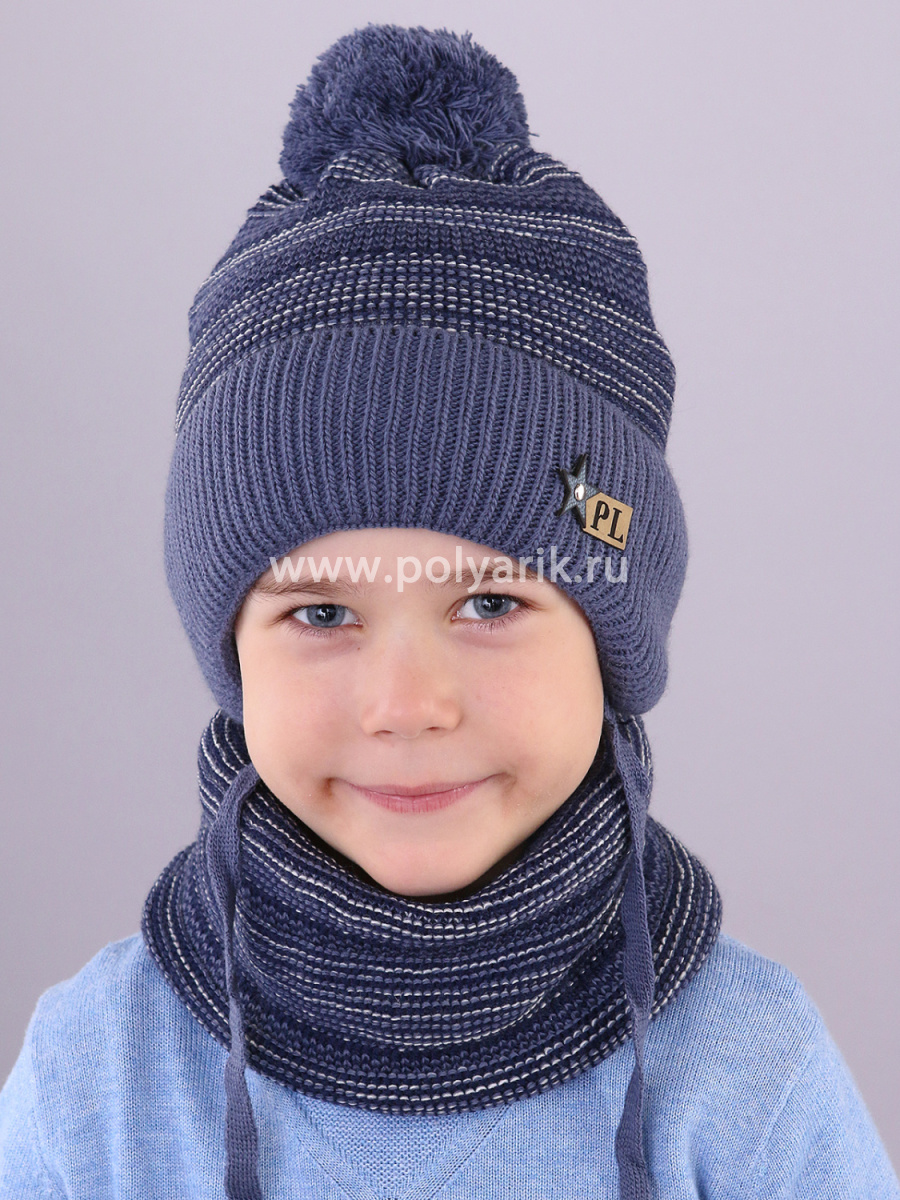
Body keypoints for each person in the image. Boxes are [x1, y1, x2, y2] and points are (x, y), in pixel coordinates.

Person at [0, 22, 896, 1200]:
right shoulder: (98, 1083)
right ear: (231, 654)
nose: (407, 704)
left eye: (488, 599)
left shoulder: (747, 1076)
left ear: (611, 639)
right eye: (322, 616)